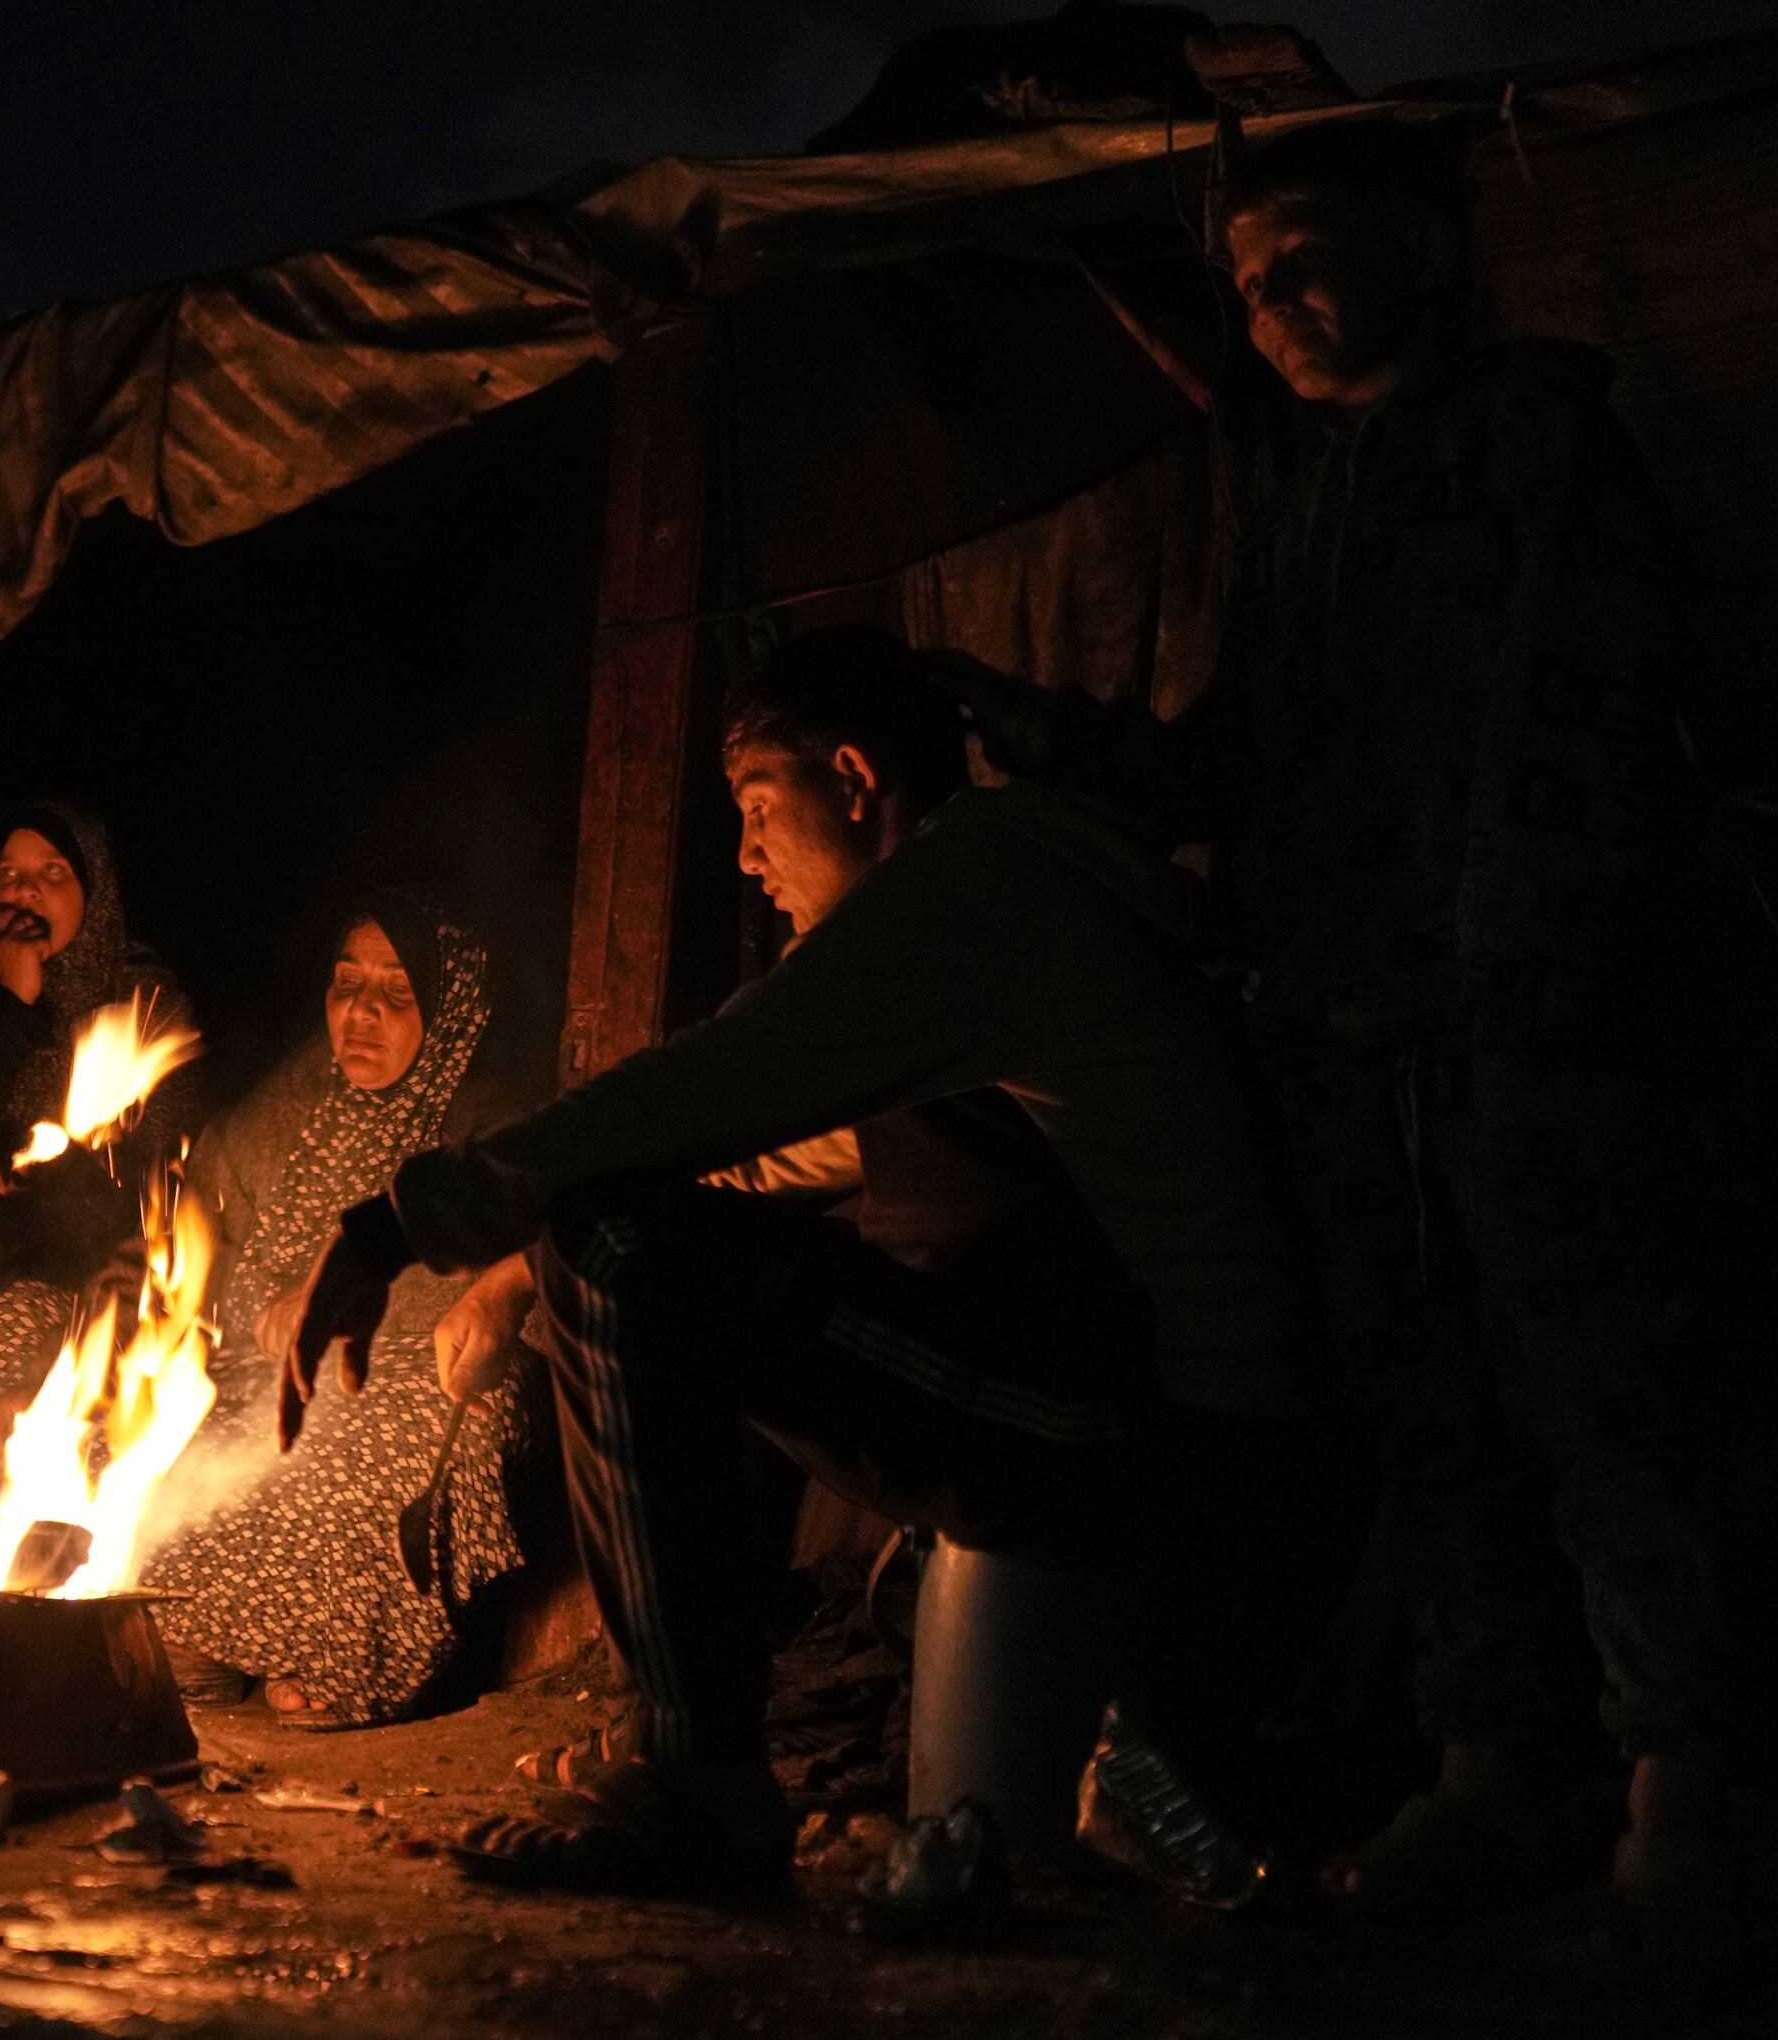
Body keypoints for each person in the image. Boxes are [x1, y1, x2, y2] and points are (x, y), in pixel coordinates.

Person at [937, 122, 1734, 1926]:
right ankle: (1498, 1769)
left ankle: (1689, 1796)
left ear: (1419, 256)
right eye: (1243, 283)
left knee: (1597, 1390)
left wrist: (1518, 956)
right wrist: (1042, 734)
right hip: (1342, 1032)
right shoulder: (1305, 501)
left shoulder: (1537, 440)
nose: (1269, 304)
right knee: (1427, 1405)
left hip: (1522, 1032)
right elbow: (1241, 757)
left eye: (1299, 260)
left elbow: (1585, 717)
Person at [278, 627, 1332, 1902]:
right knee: (635, 1249)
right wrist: (504, 1272)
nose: (746, 854)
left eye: (758, 808)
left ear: (850, 776)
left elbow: (712, 1088)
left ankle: (697, 1775)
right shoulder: (980, 931)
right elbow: (759, 1157)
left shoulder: (972, 896)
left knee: (615, 1249)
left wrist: (406, 1220)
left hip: (1171, 1455)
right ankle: (695, 1724)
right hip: (1119, 1421)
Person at [0, 893, 534, 1729]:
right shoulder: (292, 1101)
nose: (362, 1013)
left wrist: (336, 1306)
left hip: (378, 1375)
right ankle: (186, 1628)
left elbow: (508, 1263)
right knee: (33, 1329)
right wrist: (103, 1329)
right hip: (234, 1366)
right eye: (348, 983)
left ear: (449, 1008)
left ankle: (332, 1651)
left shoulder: (480, 1120)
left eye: (396, 992)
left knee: (373, 1422)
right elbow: (182, 1237)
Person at [0, 802, 196, 1426]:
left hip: (100, 1226)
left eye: (51, 873)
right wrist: (14, 1002)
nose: (23, 889)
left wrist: (8, 1164)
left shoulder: (143, 997)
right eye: (6, 873)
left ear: (92, 891)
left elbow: (158, 1155)